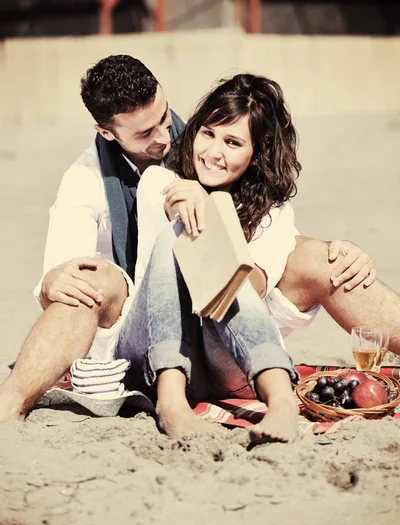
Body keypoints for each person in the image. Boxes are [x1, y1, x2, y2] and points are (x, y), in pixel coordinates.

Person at [0, 57, 386, 425]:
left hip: (228, 344)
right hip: (143, 331)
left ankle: (276, 399)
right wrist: (52, 279)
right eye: (145, 133)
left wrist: (216, 221)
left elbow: (257, 271)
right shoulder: (93, 180)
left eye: (166, 119)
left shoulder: (211, 158)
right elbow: (71, 277)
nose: (166, 139)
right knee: (98, 276)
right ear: (107, 132)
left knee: (324, 258)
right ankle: (10, 403)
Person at [114, 73, 400, 444]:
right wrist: (191, 210)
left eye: (233, 142)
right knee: (179, 234)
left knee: (219, 258)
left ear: (255, 154)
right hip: (153, 353)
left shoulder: (274, 214)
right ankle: (171, 403)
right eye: (208, 133)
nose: (213, 152)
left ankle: (281, 403)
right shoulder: (159, 181)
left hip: (225, 363)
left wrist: (216, 223)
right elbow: (159, 290)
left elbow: (251, 287)